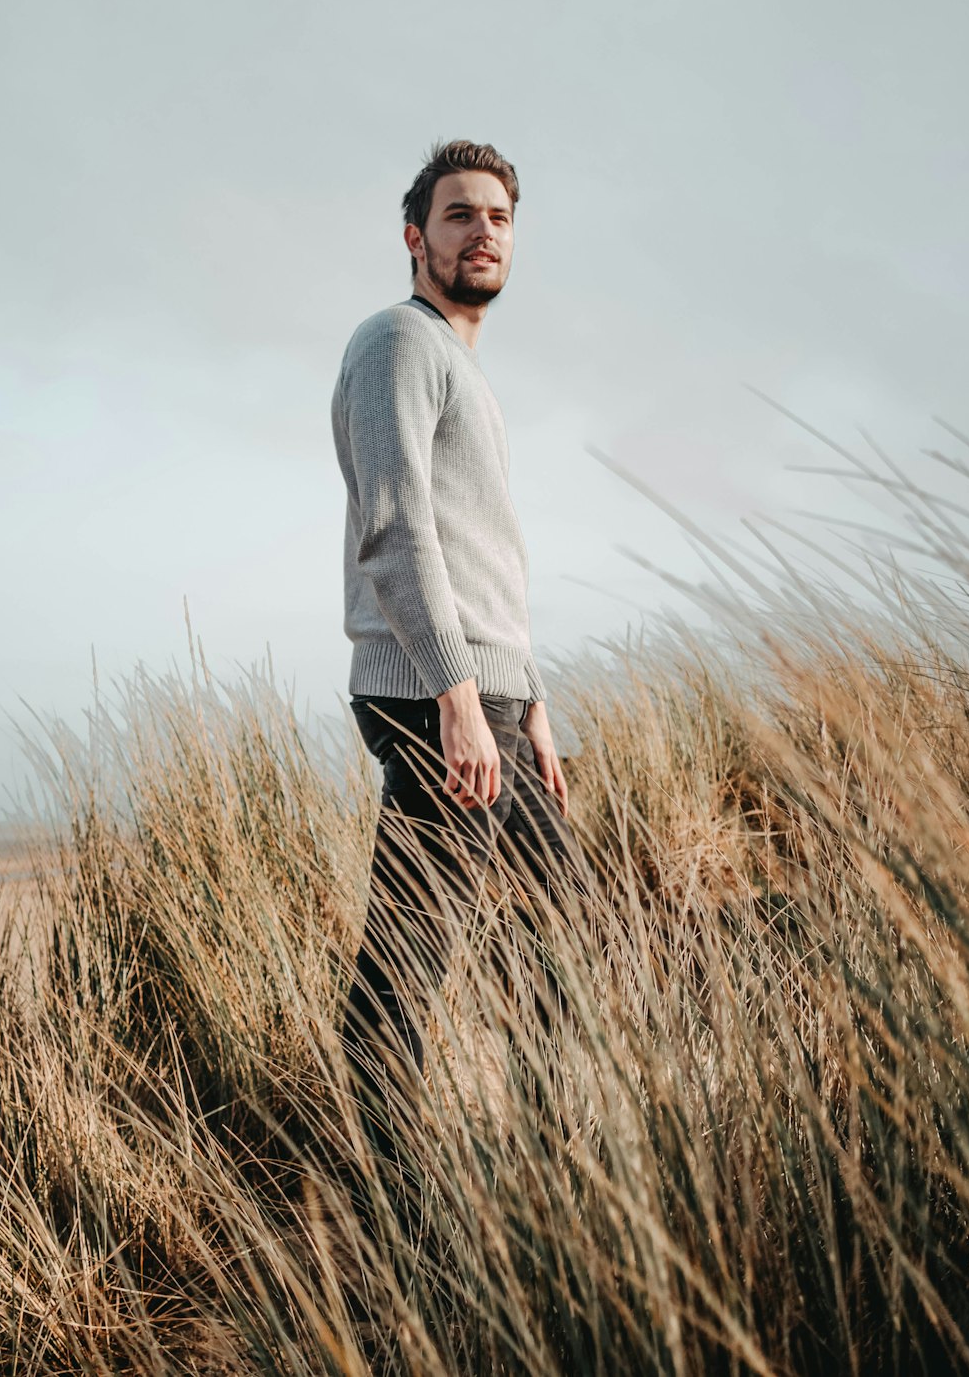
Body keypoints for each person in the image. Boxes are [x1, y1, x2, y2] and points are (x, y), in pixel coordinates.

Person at [330, 139, 584, 1237]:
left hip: (493, 702)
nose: (483, 231)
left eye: (499, 217)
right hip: (439, 697)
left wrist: (532, 711)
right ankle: (394, 1228)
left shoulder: (462, 368)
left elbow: (486, 558)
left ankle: (546, 1184)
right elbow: (397, 535)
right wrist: (461, 696)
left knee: (560, 941)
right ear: (415, 238)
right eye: (458, 215)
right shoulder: (395, 342)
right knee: (403, 973)